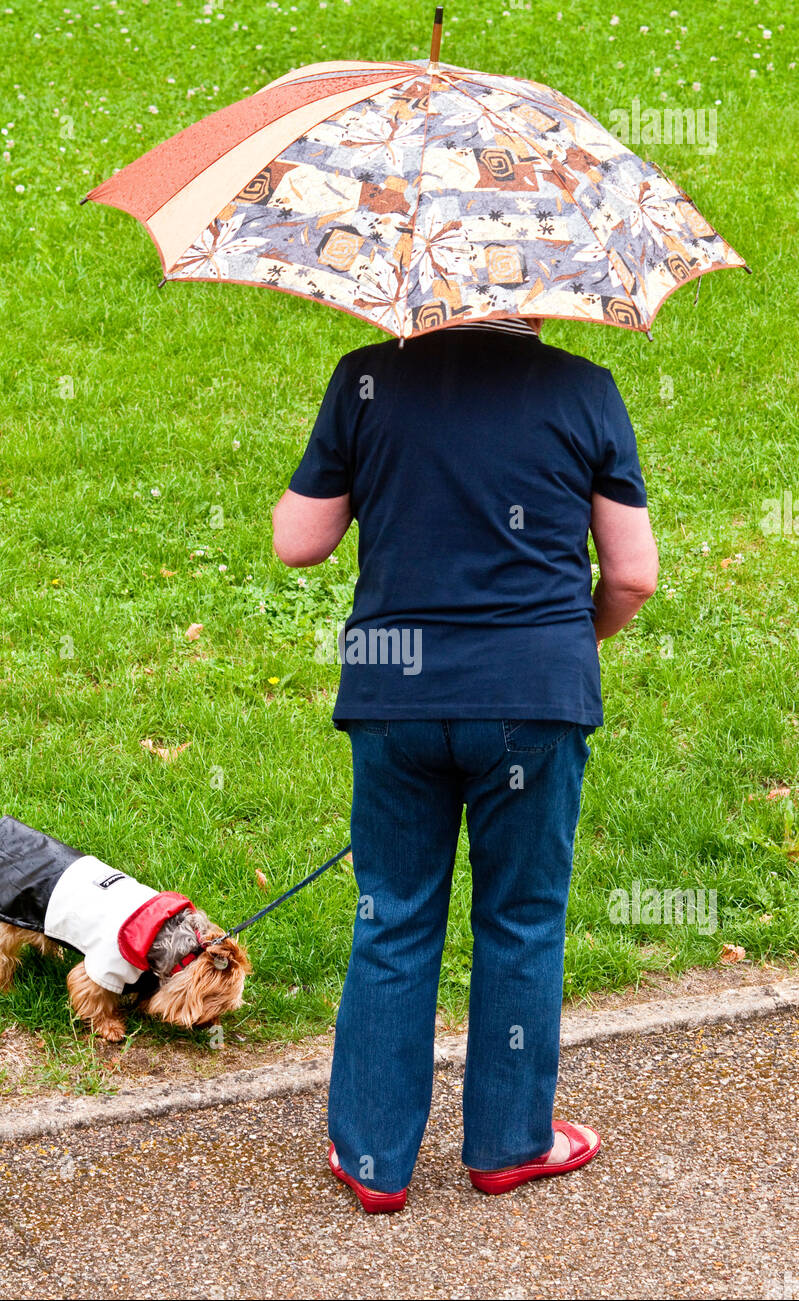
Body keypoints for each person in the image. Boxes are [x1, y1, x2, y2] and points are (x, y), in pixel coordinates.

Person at [272, 317, 659, 1213]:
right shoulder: (582, 389)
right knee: (521, 918)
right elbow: (631, 574)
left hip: (392, 696)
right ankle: (508, 1145)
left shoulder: (366, 380)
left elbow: (299, 540)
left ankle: (372, 1160)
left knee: (392, 915)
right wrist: (565, 645)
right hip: (534, 696)